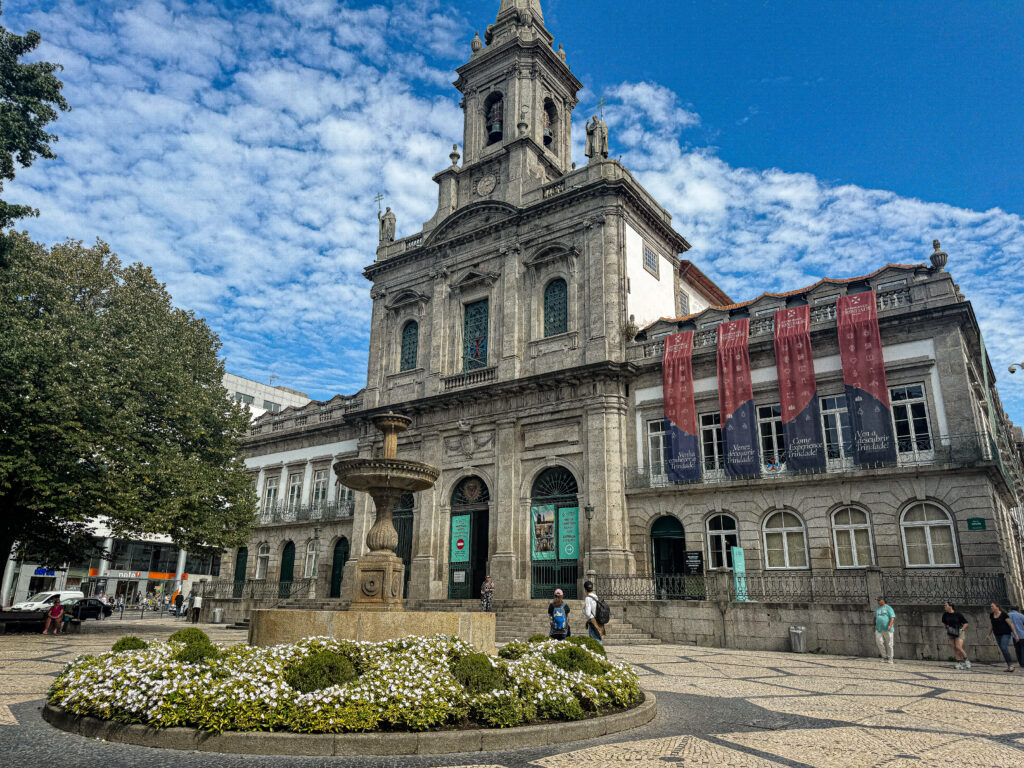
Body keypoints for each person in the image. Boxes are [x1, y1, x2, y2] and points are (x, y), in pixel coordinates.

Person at [988, 603, 1017, 672]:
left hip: (1006, 633)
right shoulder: (991, 615)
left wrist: (1016, 635)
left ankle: (1011, 665)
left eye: (992, 606)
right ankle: (1009, 665)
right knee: (1003, 650)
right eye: (991, 606)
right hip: (997, 634)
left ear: (997, 607)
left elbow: (1011, 624)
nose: (991, 607)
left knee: (1004, 647)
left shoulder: (1004, 615)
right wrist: (989, 634)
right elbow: (991, 625)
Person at [942, 602, 971, 670]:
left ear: (950, 606)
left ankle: (966, 660)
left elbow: (966, 623)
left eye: (946, 605)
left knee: (958, 647)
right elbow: (945, 623)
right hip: (951, 632)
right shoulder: (945, 614)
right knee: (955, 648)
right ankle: (959, 663)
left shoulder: (958, 614)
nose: (944, 606)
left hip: (959, 632)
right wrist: (947, 628)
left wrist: (962, 630)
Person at [874, 597, 895, 664]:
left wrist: (890, 625)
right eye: (877, 601)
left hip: (887, 629)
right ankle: (884, 656)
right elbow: (875, 617)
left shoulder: (888, 608)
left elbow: (892, 617)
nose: (878, 602)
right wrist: (874, 625)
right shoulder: (877, 608)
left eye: (879, 601)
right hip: (878, 629)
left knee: (889, 644)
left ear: (883, 601)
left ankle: (890, 658)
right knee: (879, 642)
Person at [583, 581, 605, 645]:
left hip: (592, 620)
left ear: (585, 589)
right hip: (599, 619)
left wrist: (583, 610)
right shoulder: (595, 596)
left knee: (594, 639)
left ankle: (598, 653)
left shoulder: (588, 598)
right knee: (598, 636)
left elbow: (588, 613)